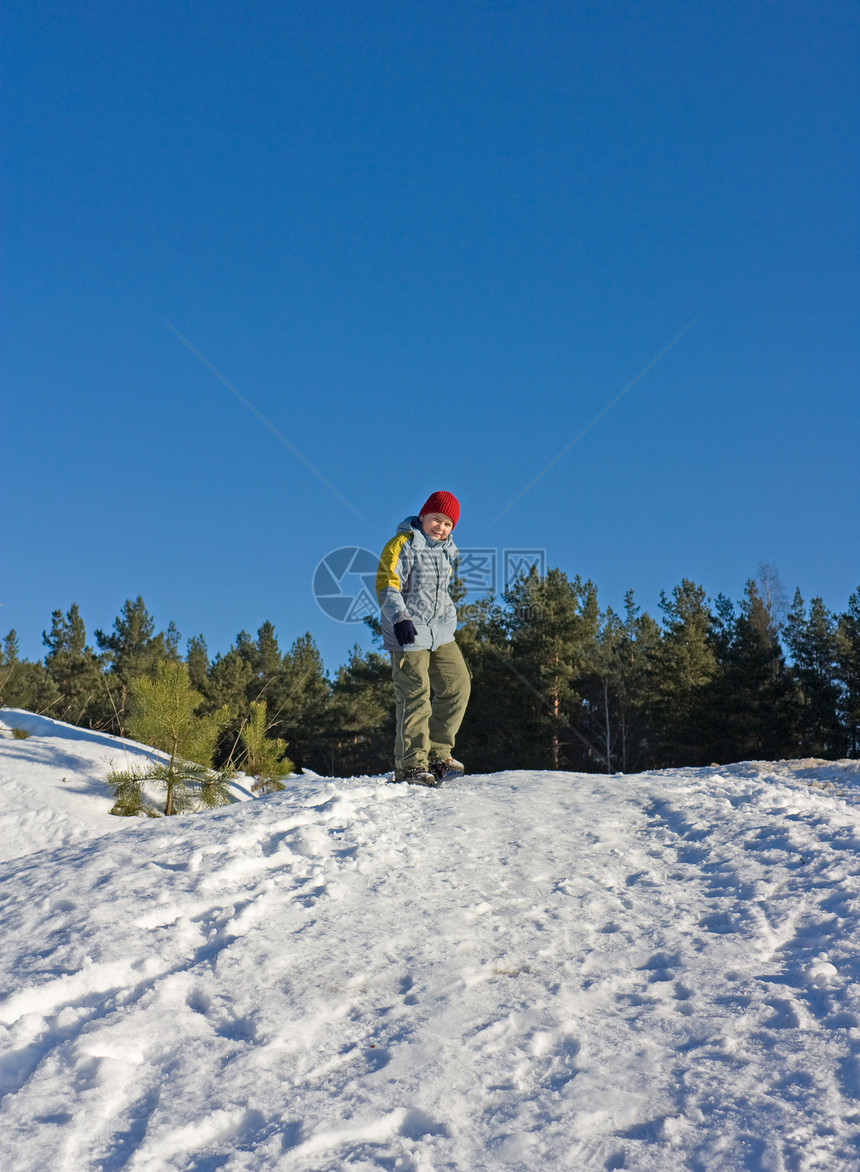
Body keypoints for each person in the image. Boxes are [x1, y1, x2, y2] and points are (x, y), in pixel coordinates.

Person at [376, 490, 471, 786]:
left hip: (440, 631)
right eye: (436, 519)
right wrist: (400, 618)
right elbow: (387, 582)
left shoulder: (446, 551)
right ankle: (411, 766)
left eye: (447, 524)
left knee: (458, 685)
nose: (440, 527)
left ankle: (438, 755)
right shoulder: (402, 544)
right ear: (423, 516)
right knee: (416, 694)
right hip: (408, 631)